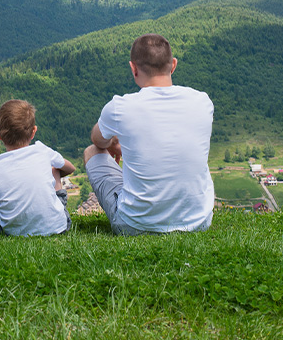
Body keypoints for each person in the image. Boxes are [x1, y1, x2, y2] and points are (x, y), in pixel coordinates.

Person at [85, 33, 214, 235]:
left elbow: (97, 140)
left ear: (133, 68)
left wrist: (112, 141)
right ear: (173, 65)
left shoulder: (120, 107)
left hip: (134, 226)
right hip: (198, 222)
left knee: (92, 151)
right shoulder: (202, 101)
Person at [0, 99, 76, 236]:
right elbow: (70, 168)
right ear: (34, 132)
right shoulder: (42, 151)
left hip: (11, 232)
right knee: (54, 169)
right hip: (57, 227)